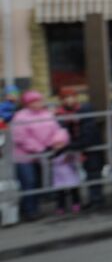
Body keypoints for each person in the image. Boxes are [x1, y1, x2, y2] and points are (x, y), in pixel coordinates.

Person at [10, 91, 69, 220]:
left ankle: (33, 208)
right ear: (27, 103)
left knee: (37, 183)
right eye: (34, 101)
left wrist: (56, 142)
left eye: (39, 101)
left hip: (41, 155)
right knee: (28, 183)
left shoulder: (47, 114)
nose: (37, 104)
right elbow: (21, 138)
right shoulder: (20, 117)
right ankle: (29, 211)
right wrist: (41, 149)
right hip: (24, 157)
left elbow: (58, 130)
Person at [57, 87, 104, 209]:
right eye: (65, 98)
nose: (68, 100)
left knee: (94, 173)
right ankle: (94, 200)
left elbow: (87, 136)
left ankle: (97, 200)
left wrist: (68, 146)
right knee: (89, 174)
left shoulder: (85, 112)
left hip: (90, 147)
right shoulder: (62, 114)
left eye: (71, 97)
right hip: (80, 148)